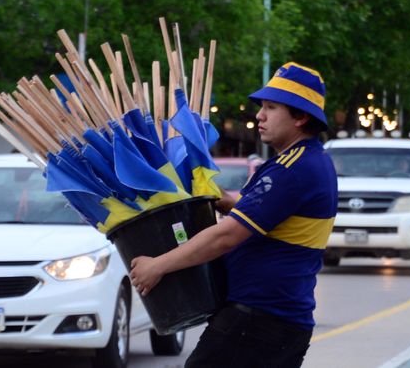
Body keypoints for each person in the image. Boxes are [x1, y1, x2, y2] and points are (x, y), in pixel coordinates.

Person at [130, 62, 338, 368]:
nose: (259, 115)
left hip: (258, 321)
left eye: (271, 107)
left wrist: (158, 266)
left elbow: (227, 236)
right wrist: (225, 203)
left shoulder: (292, 169)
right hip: (274, 321)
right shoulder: (307, 161)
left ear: (301, 116)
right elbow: (262, 218)